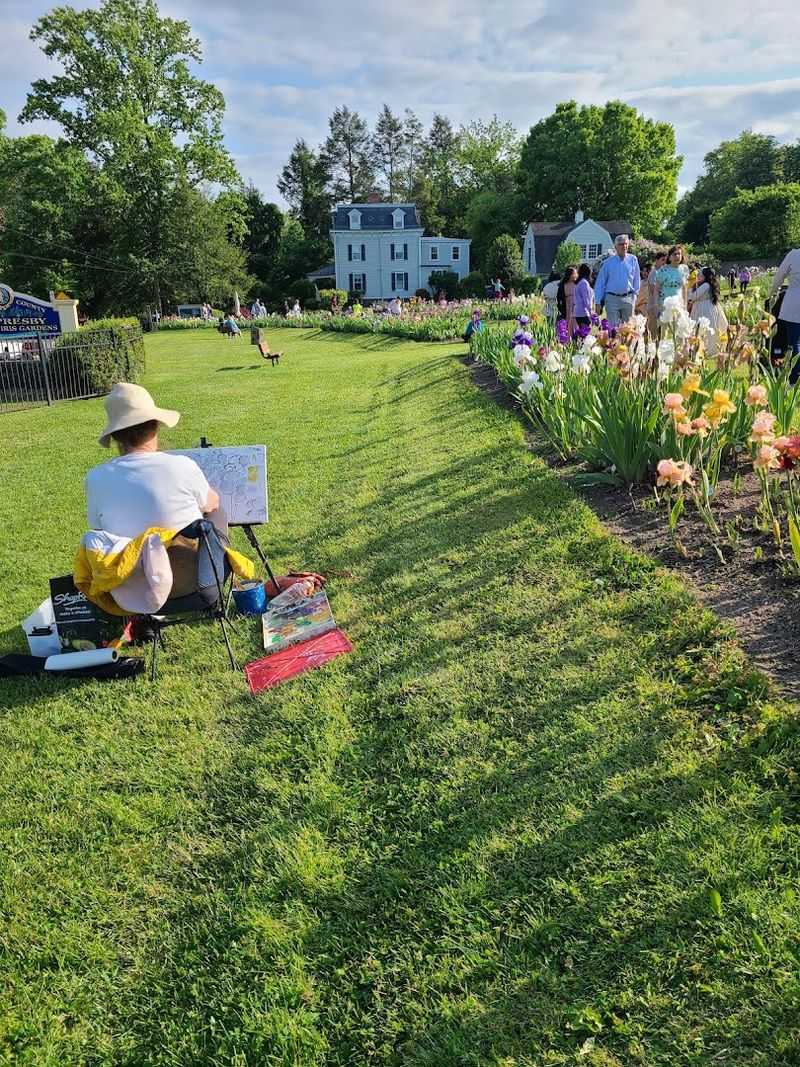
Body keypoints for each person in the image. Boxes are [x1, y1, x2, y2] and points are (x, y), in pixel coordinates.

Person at [85, 383, 323, 600]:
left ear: (115, 436)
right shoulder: (180, 466)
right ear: (155, 426)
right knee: (216, 512)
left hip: (131, 591)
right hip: (193, 586)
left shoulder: (95, 478)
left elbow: (100, 534)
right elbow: (212, 503)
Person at [593, 234, 641, 325]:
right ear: (615, 247)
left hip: (628, 298)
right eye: (621, 244)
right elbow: (600, 283)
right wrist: (598, 302)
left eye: (626, 244)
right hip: (612, 299)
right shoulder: (607, 263)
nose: (624, 246)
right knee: (613, 329)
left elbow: (636, 279)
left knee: (629, 329)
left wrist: (635, 295)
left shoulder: (633, 260)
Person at [769, 248, 800, 380]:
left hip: (794, 302)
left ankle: (794, 378)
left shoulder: (794, 255)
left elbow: (778, 278)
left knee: (794, 344)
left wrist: (771, 295)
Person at [688, 267, 729, 356]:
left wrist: (690, 289)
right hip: (702, 306)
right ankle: (698, 348)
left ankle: (707, 349)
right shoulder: (702, 284)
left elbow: (693, 296)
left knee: (706, 329)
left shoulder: (706, 285)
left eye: (700, 274)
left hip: (704, 308)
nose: (697, 275)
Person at [654, 245, 689, 313]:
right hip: (664, 304)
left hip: (679, 304)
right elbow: (657, 289)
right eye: (674, 254)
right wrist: (656, 304)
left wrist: (685, 306)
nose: (677, 256)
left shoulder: (684, 269)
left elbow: (685, 289)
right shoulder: (663, 270)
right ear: (669, 257)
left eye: (679, 254)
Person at [645, 252, 667, 339]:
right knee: (654, 333)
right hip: (654, 306)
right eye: (662, 260)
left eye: (665, 260)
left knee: (662, 332)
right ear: (656, 260)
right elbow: (654, 290)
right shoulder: (654, 273)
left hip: (661, 306)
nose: (664, 262)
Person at [556, 266, 578, 336]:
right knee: (568, 321)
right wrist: (560, 308)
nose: (576, 275)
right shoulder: (563, 285)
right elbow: (559, 297)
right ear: (570, 275)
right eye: (574, 274)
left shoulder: (577, 284)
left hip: (576, 306)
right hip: (567, 306)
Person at [573, 263, 594, 329]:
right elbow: (586, 301)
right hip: (584, 313)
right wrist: (591, 314)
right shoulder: (584, 283)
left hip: (578, 312)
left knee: (582, 334)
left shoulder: (579, 283)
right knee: (585, 335)